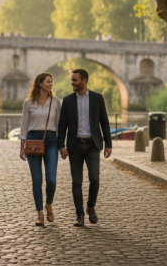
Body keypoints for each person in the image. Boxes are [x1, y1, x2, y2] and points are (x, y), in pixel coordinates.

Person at [58, 68, 112, 227]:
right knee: (76, 182)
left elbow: (105, 122)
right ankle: (79, 215)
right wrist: (61, 146)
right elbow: (62, 125)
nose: (72, 83)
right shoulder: (67, 100)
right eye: (71, 80)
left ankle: (90, 206)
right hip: (74, 146)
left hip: (92, 145)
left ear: (84, 81)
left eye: (75, 80)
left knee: (94, 179)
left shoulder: (97, 98)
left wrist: (108, 144)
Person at [19, 72, 61, 226]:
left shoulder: (56, 102)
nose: (50, 84)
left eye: (51, 81)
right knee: (37, 180)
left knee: (51, 180)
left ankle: (48, 204)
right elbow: (24, 125)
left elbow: (59, 125)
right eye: (48, 82)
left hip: (52, 140)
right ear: (40, 84)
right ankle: (40, 215)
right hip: (32, 140)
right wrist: (21, 146)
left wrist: (62, 146)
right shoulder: (28, 102)